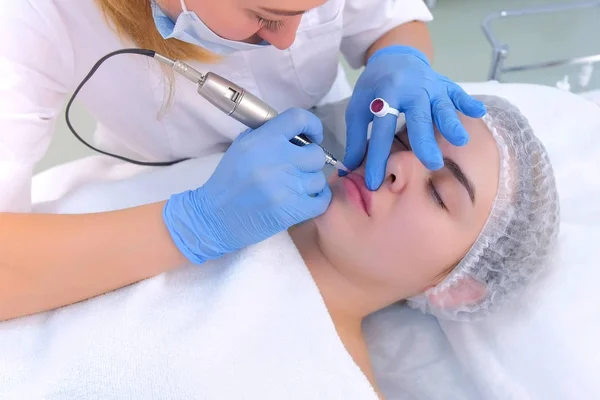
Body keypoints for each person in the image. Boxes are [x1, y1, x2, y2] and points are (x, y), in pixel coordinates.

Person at [0, 95, 560, 399]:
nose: (395, 166)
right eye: (405, 140)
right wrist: (193, 224)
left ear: (457, 287)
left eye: (440, 194)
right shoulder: (227, 178)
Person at [0, 0, 485, 319]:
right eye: (267, 15)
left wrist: (399, 57)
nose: (289, 40)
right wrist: (191, 225)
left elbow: (386, 17)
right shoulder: (26, 22)